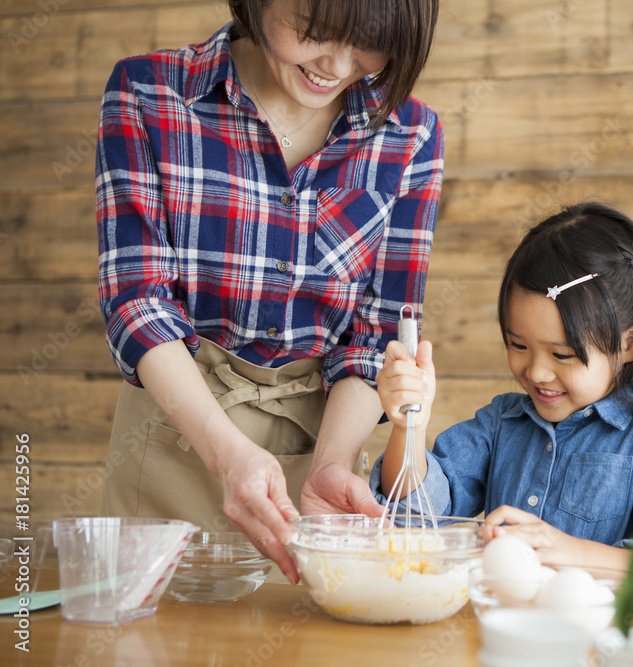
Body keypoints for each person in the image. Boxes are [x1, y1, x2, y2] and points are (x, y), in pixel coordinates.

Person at [95, 0, 442, 584]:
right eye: (319, 32)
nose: (336, 64)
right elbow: (137, 304)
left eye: (369, 44)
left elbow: (378, 335)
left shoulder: (409, 133)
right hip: (175, 433)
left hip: (322, 448)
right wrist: (228, 456)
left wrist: (330, 465)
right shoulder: (149, 92)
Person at [374, 201, 633, 612]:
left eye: (563, 355)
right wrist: (408, 425)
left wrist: (564, 551)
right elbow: (416, 518)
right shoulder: (503, 422)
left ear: (630, 343)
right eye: (518, 346)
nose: (535, 371)